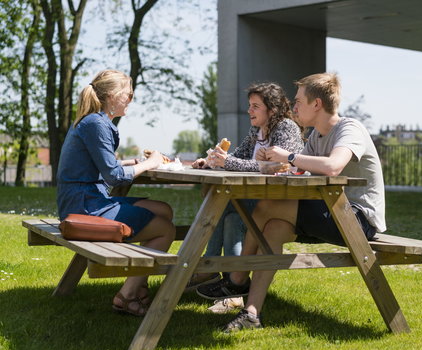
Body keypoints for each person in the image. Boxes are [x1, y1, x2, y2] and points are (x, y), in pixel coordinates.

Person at [197, 72, 386, 331]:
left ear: (316, 104)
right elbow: (298, 170)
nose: (293, 106)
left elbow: (332, 166)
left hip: (357, 220)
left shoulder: (349, 128)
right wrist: (274, 162)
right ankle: (251, 313)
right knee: (273, 227)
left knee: (265, 207)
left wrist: (290, 156)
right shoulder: (317, 137)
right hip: (329, 213)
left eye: (298, 101)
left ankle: (237, 279)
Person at [57, 69, 175, 317]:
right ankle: (127, 295)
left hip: (87, 199)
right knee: (166, 229)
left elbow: (101, 165)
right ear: (112, 95)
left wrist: (131, 162)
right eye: (128, 94)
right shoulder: (96, 123)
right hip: (85, 207)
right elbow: (114, 177)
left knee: (164, 210)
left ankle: (139, 286)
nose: (131, 99)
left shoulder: (92, 121)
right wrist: (150, 163)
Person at [186, 82, 304, 312]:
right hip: (253, 196)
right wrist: (211, 161)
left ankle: (212, 271)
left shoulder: (286, 127)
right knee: (230, 216)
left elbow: (274, 166)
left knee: (225, 206)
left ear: (272, 109)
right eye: (250, 105)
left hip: (277, 202)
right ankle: (230, 282)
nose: (249, 111)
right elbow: (238, 158)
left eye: (255, 106)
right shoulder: (256, 130)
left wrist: (227, 162)